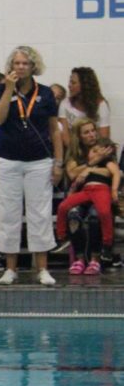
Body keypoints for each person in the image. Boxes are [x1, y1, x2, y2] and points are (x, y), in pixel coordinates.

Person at [0, 46, 63, 286]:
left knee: (39, 214)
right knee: (8, 213)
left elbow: (54, 130)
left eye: (25, 63)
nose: (20, 67)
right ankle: (10, 268)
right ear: (11, 66)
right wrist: (9, 89)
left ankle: (42, 268)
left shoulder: (45, 93)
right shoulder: (3, 89)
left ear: (33, 67)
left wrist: (58, 163)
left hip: (39, 162)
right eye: (17, 63)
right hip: (8, 160)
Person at [61, 118, 117, 275]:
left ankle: (95, 259)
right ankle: (79, 259)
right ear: (79, 136)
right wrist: (95, 162)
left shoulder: (105, 148)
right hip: (81, 194)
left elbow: (111, 172)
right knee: (73, 215)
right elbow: (72, 174)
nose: (92, 135)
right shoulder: (74, 154)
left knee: (95, 216)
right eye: (87, 132)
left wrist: (88, 171)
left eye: (93, 131)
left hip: (101, 194)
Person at [58, 66, 111, 147]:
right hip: (72, 150)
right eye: (70, 82)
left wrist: (93, 156)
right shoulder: (65, 103)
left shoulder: (101, 105)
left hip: (95, 150)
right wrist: (76, 154)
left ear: (85, 85)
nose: (69, 85)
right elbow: (65, 138)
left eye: (73, 83)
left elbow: (104, 138)